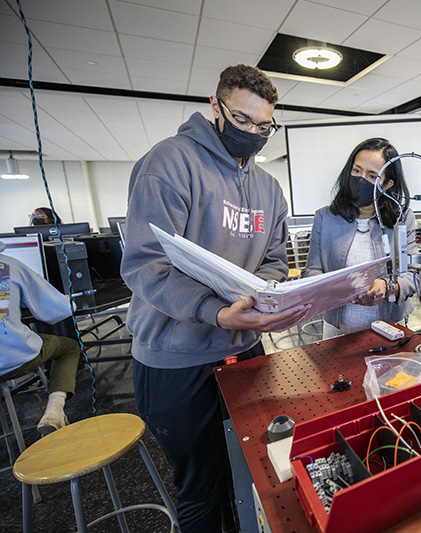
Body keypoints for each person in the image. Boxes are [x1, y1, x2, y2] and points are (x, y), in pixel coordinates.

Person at [120, 64, 310, 533]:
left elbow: (272, 260)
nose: (253, 133)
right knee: (202, 489)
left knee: (251, 471)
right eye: (242, 120)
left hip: (244, 347)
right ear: (215, 106)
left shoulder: (268, 187)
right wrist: (215, 312)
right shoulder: (169, 162)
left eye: (264, 126)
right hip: (176, 358)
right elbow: (145, 265)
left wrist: (265, 299)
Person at [302, 138, 417, 339]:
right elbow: (312, 271)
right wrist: (329, 289)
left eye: (372, 176)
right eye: (356, 171)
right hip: (337, 331)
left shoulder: (402, 218)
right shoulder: (325, 218)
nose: (360, 179)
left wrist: (389, 287)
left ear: (388, 184)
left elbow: (413, 274)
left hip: (389, 330)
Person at [0, 240, 80, 436]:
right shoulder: (9, 265)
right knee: (69, 347)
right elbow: (57, 310)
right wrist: (66, 301)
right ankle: (54, 410)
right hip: (13, 361)